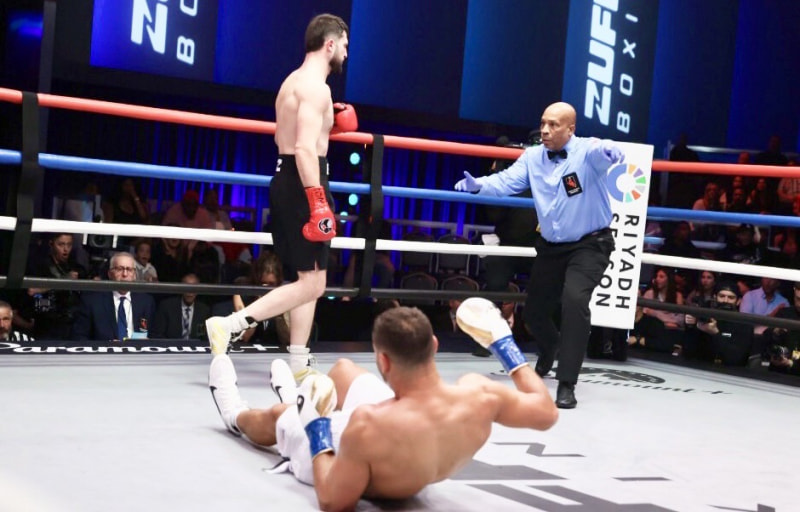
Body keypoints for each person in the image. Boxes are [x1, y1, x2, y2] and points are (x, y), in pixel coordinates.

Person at [207, 299, 558, 511]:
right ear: (434, 345)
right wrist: (503, 342)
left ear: (383, 361)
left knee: (279, 417)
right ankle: (300, 397)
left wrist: (317, 426)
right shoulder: (479, 394)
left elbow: (333, 500)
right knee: (344, 370)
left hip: (384, 450)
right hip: (416, 429)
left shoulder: (369, 426)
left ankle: (236, 414)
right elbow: (545, 412)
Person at [205, 13, 357, 382]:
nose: (346, 54)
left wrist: (329, 126)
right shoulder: (317, 89)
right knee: (314, 284)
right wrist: (318, 201)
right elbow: (305, 148)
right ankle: (231, 324)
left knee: (308, 279)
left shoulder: (291, 82)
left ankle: (299, 362)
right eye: (345, 46)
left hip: (286, 180)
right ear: (330, 44)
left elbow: (288, 138)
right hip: (305, 182)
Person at [454, 101, 623, 408]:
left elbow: (603, 152)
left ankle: (567, 382)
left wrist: (611, 150)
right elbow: (506, 181)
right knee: (534, 312)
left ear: (570, 129)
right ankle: (550, 349)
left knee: (574, 301)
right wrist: (479, 185)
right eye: (543, 123)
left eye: (553, 125)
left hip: (589, 245)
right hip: (551, 245)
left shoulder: (587, 151)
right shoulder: (533, 157)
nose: (545, 130)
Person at [71, 252, 156, 341]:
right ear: (110, 274)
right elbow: (79, 336)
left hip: (136, 349)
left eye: (129, 269)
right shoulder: (92, 301)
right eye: (120, 269)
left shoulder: (146, 302)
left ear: (134, 275)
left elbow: (152, 334)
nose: (125, 274)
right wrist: (106, 346)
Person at [689, 281, 753, 367]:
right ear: (715, 297)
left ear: (738, 301)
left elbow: (736, 359)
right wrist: (691, 327)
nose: (725, 301)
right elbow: (689, 353)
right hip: (703, 367)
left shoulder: (745, 324)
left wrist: (715, 333)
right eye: (722, 296)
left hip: (730, 371)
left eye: (731, 298)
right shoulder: (707, 319)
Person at [149, 273, 210, 340]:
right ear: (181, 288)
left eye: (193, 288)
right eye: (187, 287)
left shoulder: (203, 310)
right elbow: (158, 335)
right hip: (170, 345)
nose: (190, 292)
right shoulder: (167, 306)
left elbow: (201, 336)